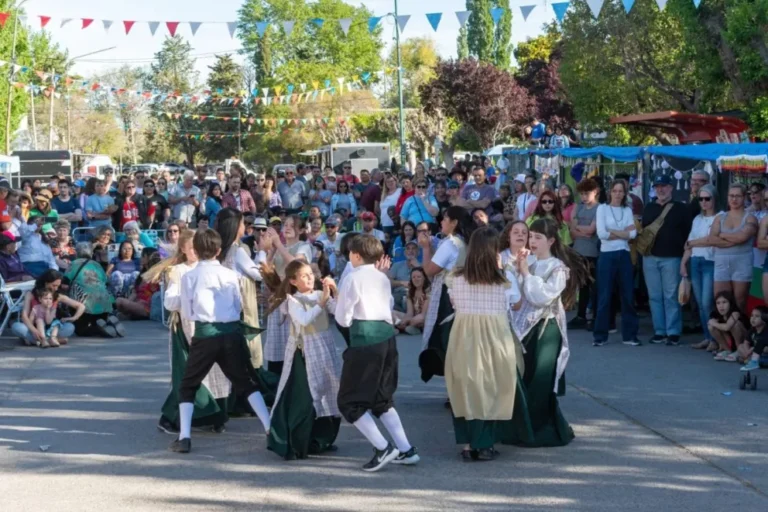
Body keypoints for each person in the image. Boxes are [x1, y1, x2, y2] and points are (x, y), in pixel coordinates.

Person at [169, 229, 272, 454]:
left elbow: (187, 310)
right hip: (231, 332)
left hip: (205, 334)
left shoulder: (189, 276)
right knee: (244, 381)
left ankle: (184, 437)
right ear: (218, 250)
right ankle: (269, 427)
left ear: (196, 249)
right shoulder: (229, 274)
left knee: (188, 384)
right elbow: (238, 305)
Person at [335, 234, 420, 471]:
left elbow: (343, 317)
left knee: (349, 401)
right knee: (382, 398)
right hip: (387, 337)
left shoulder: (352, 277)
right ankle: (405, 448)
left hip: (365, 338)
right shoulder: (381, 277)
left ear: (356, 255)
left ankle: (383, 447)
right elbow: (389, 304)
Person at [444, 227, 522, 461]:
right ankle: (485, 443)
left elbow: (454, 302)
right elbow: (516, 304)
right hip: (495, 335)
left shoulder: (456, 277)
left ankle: (467, 443)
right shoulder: (505, 278)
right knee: (492, 385)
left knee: (465, 385)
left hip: (463, 334)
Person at [508, 218, 586, 447]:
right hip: (524, 327)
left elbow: (540, 297)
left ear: (551, 240)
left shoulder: (558, 268)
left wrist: (524, 273)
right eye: (531, 236)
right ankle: (521, 427)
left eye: (538, 238)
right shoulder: (528, 261)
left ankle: (541, 430)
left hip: (546, 327)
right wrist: (517, 269)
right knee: (524, 374)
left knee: (541, 379)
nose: (532, 241)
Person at [150, 228, 230, 434]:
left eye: (197, 247)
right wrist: (187, 298)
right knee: (190, 372)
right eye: (190, 247)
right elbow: (170, 301)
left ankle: (215, 415)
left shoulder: (211, 267)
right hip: (187, 327)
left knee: (216, 370)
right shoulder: (178, 271)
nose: (194, 251)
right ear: (183, 249)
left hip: (211, 324)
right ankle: (171, 417)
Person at [266, 260, 342, 459]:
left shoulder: (319, 295)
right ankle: (297, 442)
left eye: (311, 274)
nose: (310, 278)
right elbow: (304, 320)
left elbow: (342, 314)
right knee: (305, 398)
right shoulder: (292, 300)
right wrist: (322, 302)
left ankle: (321, 439)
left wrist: (335, 290)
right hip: (303, 352)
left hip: (324, 349)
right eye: (304, 275)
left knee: (329, 391)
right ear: (293, 281)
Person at [419, 206, 471, 384]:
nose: (441, 221)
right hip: (463, 293)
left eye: (445, 218)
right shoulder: (463, 241)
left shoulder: (450, 244)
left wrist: (426, 248)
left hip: (446, 294)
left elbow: (430, 270)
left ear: (454, 223)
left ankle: (455, 389)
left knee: (444, 341)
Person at [642, 175, 693, 345]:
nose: (660, 189)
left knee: (671, 296)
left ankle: (673, 332)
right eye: (657, 186)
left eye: (664, 186)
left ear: (671, 188)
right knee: (654, 296)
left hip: (672, 258)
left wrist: (685, 260)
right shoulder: (648, 207)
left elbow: (689, 234)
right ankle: (659, 331)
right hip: (650, 258)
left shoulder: (681, 209)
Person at [217, 208, 265, 371]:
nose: (245, 226)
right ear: (236, 226)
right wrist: (262, 251)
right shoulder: (236, 250)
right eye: (243, 223)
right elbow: (258, 274)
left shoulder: (221, 249)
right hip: (241, 301)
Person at [593, 179, 640, 347]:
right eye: (615, 191)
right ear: (610, 192)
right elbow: (602, 234)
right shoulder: (602, 209)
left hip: (624, 255)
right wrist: (622, 233)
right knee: (605, 296)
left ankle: (629, 335)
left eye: (621, 191)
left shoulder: (627, 210)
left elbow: (633, 234)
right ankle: (600, 336)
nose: (618, 194)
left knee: (627, 295)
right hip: (607, 255)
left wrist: (612, 231)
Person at [709, 183, 756, 317]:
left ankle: (741, 336)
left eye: (737, 196)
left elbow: (742, 237)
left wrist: (722, 235)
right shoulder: (720, 217)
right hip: (721, 263)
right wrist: (734, 239)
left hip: (742, 262)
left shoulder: (750, 217)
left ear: (744, 198)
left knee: (740, 302)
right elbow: (712, 239)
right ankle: (724, 336)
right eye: (731, 196)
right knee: (720, 301)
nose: (734, 199)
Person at [682, 184, 719, 350]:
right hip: (695, 260)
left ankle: (714, 338)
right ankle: (707, 337)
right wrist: (683, 263)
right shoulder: (697, 219)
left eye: (707, 198)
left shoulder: (720, 217)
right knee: (699, 302)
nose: (703, 202)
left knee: (707, 302)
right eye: (701, 199)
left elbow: (711, 239)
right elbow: (688, 244)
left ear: (714, 199)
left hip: (711, 261)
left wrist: (692, 243)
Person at [64, 242, 123, 338]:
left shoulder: (73, 264)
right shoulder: (97, 265)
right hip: (104, 302)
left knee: (80, 330)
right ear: (91, 253)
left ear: (77, 253)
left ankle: (98, 330)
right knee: (97, 320)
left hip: (85, 302)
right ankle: (108, 322)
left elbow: (64, 284)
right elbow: (105, 281)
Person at [11, 270, 84, 346]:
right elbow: (24, 316)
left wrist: (74, 318)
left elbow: (81, 306)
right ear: (46, 283)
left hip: (52, 329)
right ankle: (51, 340)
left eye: (58, 286)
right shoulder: (31, 294)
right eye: (54, 285)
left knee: (70, 327)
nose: (56, 288)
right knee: (16, 326)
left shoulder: (57, 296)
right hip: (35, 327)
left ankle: (38, 341)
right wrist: (34, 331)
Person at [568, 179, 600, 330]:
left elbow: (591, 231)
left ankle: (594, 316)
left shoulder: (599, 208)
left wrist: (580, 230)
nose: (584, 197)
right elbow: (571, 229)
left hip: (592, 252)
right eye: (581, 194)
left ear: (595, 192)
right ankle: (581, 315)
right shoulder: (578, 207)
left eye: (586, 193)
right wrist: (583, 230)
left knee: (593, 284)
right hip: (578, 250)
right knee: (582, 285)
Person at [115, 249, 162, 319]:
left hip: (147, 307)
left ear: (150, 258)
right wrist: (128, 303)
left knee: (119, 301)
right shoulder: (141, 275)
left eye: (143, 256)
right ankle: (128, 314)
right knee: (120, 303)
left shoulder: (158, 275)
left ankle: (128, 315)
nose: (140, 258)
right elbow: (134, 293)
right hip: (137, 304)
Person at [708, 291, 748, 362]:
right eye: (718, 303)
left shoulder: (735, 312)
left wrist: (714, 323)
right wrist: (713, 324)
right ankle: (727, 350)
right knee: (711, 327)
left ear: (730, 303)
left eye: (724, 302)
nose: (721, 306)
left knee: (735, 324)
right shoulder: (715, 313)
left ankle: (739, 351)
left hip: (744, 341)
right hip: (729, 339)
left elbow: (727, 327)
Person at [393, 266, 430, 335]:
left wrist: (406, 321)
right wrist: (405, 320)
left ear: (424, 278)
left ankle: (402, 327)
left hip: (424, 318)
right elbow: (410, 313)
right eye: (413, 277)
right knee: (392, 313)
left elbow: (423, 314)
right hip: (413, 318)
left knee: (419, 319)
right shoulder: (410, 291)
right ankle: (405, 327)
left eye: (419, 277)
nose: (416, 279)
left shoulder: (428, 291)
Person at [741, 305, 768, 371]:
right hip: (756, 353)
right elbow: (746, 342)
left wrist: (751, 350)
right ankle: (752, 359)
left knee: (765, 347)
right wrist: (747, 352)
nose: (753, 318)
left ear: (764, 319)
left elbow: (763, 344)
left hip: (764, 352)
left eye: (757, 316)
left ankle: (754, 362)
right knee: (740, 347)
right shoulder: (752, 330)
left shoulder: (766, 330)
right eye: (752, 315)